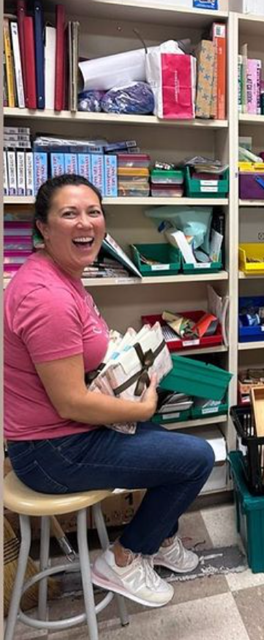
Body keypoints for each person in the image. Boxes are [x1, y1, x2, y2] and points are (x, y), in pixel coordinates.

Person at [4, 174, 215, 609]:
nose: (85, 223)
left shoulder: (62, 274)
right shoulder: (49, 298)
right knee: (195, 460)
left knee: (165, 440)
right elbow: (70, 402)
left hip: (60, 435)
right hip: (52, 451)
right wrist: (137, 409)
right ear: (43, 227)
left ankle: (160, 539)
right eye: (69, 214)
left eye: (94, 211)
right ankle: (121, 559)